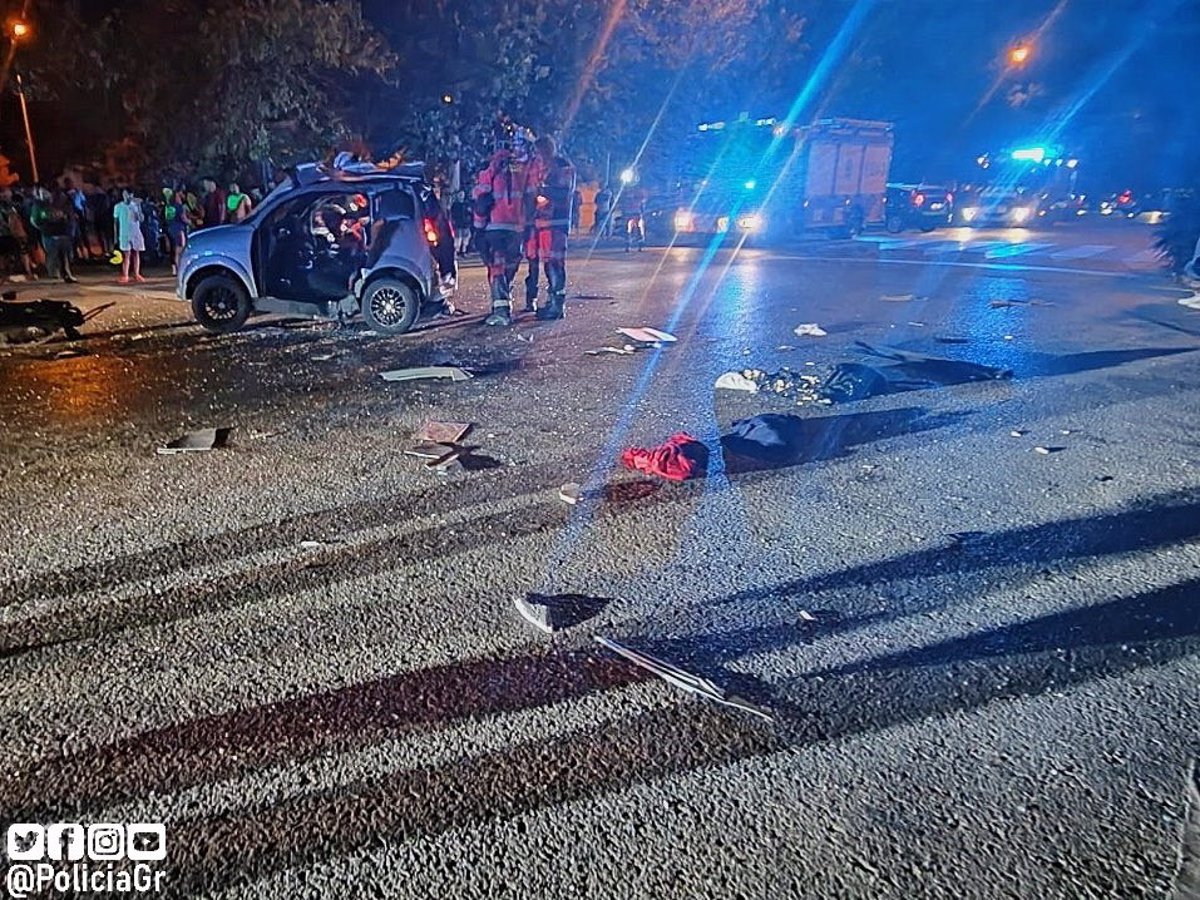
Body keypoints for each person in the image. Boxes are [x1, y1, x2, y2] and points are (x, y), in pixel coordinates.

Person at [474, 133, 533, 326]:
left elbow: (482, 200)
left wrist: (478, 228)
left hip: (495, 227)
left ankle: (500, 311)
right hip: (517, 227)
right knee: (510, 265)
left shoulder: (490, 169)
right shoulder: (523, 170)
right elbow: (530, 198)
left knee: (496, 267)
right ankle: (502, 305)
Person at [525, 134, 576, 320]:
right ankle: (552, 302)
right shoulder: (543, 167)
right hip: (543, 223)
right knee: (548, 264)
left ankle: (557, 305)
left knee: (555, 264)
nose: (539, 157)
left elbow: (563, 192)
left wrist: (541, 192)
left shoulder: (562, 166)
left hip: (556, 222)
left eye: (541, 152)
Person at [31, 187, 78, 283]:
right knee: (53, 255)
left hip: (62, 233)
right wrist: (44, 228)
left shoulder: (64, 204)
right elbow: (35, 220)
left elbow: (70, 217)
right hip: (50, 234)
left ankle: (66, 274)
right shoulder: (39, 206)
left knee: (65, 256)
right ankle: (54, 274)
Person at [0, 187, 36, 281]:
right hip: (9, 234)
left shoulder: (13, 207)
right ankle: (9, 272)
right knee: (8, 254)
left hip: (14, 234)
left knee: (20, 252)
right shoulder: (10, 209)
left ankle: (26, 270)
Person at [113, 188, 145, 283]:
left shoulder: (135, 205)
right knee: (126, 255)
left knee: (136, 253)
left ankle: (136, 273)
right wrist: (115, 235)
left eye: (129, 194)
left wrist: (138, 207)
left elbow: (141, 219)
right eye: (125, 194)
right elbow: (115, 222)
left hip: (135, 232)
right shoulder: (118, 206)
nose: (127, 196)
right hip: (124, 233)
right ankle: (125, 275)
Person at [163, 188, 190, 276]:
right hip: (179, 229)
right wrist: (190, 222)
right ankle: (180, 269)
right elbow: (183, 218)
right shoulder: (179, 206)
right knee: (180, 250)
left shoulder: (168, 207)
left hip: (170, 229)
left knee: (173, 249)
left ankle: (174, 269)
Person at [450, 191, 471, 256]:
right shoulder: (455, 205)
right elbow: (452, 214)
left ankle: (464, 250)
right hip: (458, 223)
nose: (461, 196)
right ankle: (457, 251)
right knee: (458, 238)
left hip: (466, 223)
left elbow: (470, 213)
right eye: (460, 194)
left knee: (466, 237)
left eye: (462, 194)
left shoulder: (467, 204)